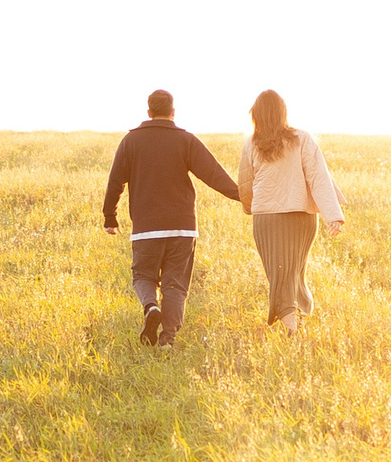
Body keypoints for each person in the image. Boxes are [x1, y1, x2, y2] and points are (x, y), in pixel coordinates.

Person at [102, 89, 240, 346]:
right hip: (182, 229)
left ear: (149, 112)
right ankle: (168, 339)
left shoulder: (131, 141)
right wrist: (243, 196)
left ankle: (150, 307)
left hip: (146, 230)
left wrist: (110, 217)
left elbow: (115, 182)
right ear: (173, 112)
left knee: (143, 277)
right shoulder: (185, 140)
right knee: (175, 285)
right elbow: (213, 174)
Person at [236, 89, 343, 336]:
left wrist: (250, 206)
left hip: (268, 219)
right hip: (302, 217)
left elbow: (245, 183)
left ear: (257, 114)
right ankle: (296, 316)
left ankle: (293, 330)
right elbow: (319, 178)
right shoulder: (302, 138)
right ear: (283, 112)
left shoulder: (252, 143)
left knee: (280, 274)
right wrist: (332, 215)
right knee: (292, 272)